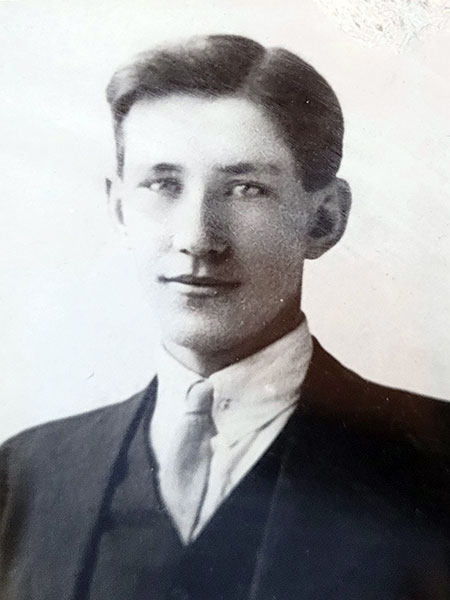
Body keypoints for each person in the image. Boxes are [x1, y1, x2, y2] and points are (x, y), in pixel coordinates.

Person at [1, 34, 450, 600]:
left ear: (324, 219)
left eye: (245, 188)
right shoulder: (25, 475)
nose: (197, 238)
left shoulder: (433, 461)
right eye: (163, 185)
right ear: (119, 210)